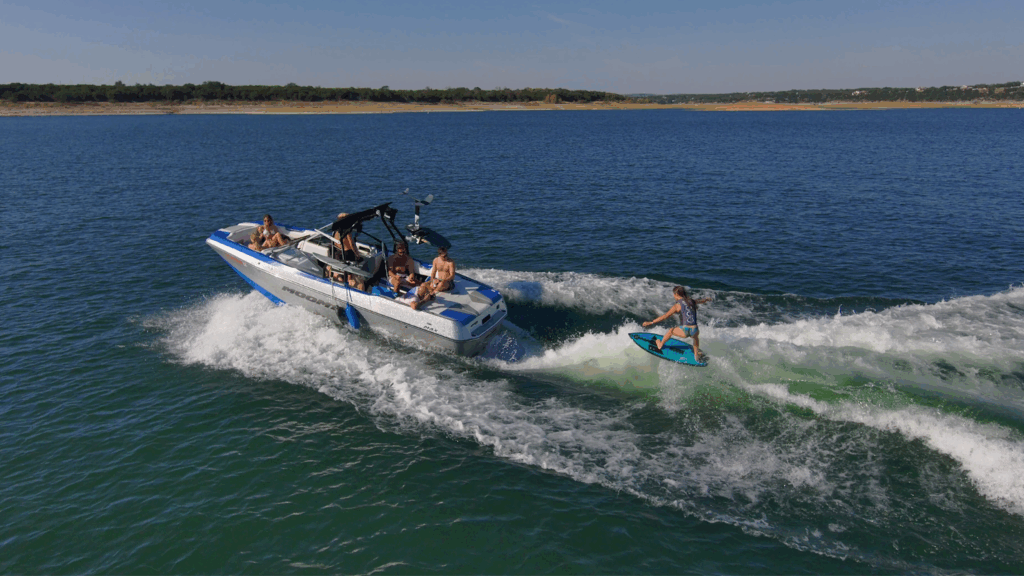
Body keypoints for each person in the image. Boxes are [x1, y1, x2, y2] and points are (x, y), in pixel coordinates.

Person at [643, 286, 711, 359]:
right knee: (695, 338)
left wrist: (651, 322)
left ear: (676, 294)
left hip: (685, 330)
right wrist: (706, 299)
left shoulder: (677, 305)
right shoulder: (692, 301)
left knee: (671, 331)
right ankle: (696, 354)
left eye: (673, 294)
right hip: (695, 330)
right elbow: (701, 301)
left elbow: (665, 316)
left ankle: (660, 345)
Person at [409, 246, 455, 310]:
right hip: (438, 280)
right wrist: (433, 280)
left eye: (446, 255)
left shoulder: (450, 262)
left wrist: (443, 281)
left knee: (441, 284)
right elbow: (433, 273)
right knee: (423, 284)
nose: (446, 257)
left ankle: (431, 294)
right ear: (439, 255)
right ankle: (418, 299)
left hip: (447, 281)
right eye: (444, 256)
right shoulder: (436, 260)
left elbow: (452, 276)